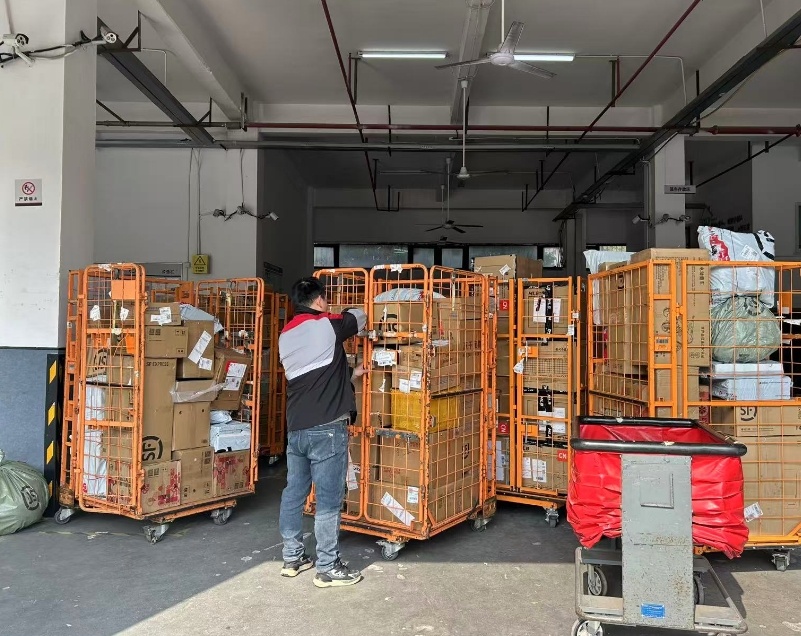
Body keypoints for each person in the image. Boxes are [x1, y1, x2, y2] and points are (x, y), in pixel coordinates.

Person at [278, 277, 367, 588]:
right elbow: (359, 317)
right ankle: (328, 567)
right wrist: (345, 309)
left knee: (294, 493)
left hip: (296, 427)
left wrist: (350, 375)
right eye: (326, 300)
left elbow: (315, 374)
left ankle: (293, 558)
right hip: (327, 428)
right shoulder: (326, 323)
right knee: (329, 499)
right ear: (318, 301)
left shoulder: (286, 334)